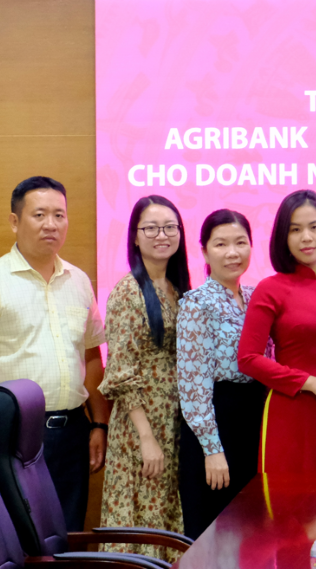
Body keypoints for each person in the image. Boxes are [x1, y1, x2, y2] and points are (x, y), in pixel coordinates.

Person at [0, 176, 109, 532]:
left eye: (59, 215)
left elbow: (92, 356)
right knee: (18, 537)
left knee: (68, 534)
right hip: (12, 433)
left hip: (73, 432)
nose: (51, 224)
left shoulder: (79, 281)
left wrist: (99, 423)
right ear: (15, 221)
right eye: (39, 215)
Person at [238, 190, 316, 473]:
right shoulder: (270, 289)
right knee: (294, 498)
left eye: (314, 227)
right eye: (295, 230)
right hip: (294, 410)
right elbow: (248, 359)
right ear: (283, 237)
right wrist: (314, 384)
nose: (306, 237)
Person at [98, 196, 191, 559]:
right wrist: (146, 438)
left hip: (172, 419)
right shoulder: (128, 291)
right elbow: (120, 371)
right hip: (141, 425)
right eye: (150, 228)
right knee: (141, 512)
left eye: (169, 227)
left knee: (166, 510)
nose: (161, 235)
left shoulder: (177, 288)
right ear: (135, 237)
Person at [177, 209, 266, 540]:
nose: (232, 253)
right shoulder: (196, 303)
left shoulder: (257, 298)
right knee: (217, 533)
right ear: (204, 251)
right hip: (215, 422)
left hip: (254, 419)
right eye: (221, 244)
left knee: (253, 531)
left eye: (240, 243)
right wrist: (212, 450)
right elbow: (194, 385)